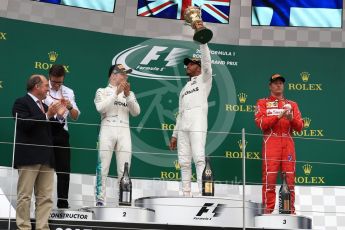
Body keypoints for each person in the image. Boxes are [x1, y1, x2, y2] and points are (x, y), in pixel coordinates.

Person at [12, 74, 65, 230]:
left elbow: (54, 131)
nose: (48, 89)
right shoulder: (21, 102)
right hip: (29, 157)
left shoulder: (45, 107)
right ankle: (24, 227)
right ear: (36, 86)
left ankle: (43, 227)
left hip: (47, 158)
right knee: (25, 196)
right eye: (46, 86)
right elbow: (24, 125)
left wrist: (60, 116)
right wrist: (47, 115)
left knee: (45, 197)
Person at [169, 21, 213, 197]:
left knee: (199, 158)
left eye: (191, 64)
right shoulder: (184, 89)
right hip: (184, 127)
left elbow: (207, 62)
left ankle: (203, 194)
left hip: (197, 123)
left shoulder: (205, 79)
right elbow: (180, 114)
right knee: (184, 162)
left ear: (199, 67)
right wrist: (174, 134)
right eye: (187, 64)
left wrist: (202, 41)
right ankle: (186, 194)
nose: (187, 66)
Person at [254, 74, 304, 214]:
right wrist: (279, 116)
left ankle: (290, 211)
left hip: (287, 143)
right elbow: (261, 123)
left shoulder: (292, 104)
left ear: (284, 85)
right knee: (269, 179)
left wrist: (291, 118)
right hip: (271, 143)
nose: (278, 85)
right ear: (270, 85)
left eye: (281, 83)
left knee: (290, 180)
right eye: (275, 83)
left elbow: (300, 127)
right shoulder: (262, 103)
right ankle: (267, 212)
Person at [94, 64, 140, 206]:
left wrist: (127, 95)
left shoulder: (129, 94)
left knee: (124, 167)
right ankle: (100, 200)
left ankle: (123, 199)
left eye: (126, 74)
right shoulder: (102, 91)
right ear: (113, 75)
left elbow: (136, 112)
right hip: (108, 127)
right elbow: (101, 108)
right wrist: (115, 93)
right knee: (103, 166)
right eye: (123, 74)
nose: (126, 76)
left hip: (124, 129)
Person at [44, 64, 80, 209]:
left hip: (62, 132)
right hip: (45, 131)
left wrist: (70, 106)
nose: (57, 85)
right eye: (54, 82)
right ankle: (42, 203)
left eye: (60, 82)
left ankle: (63, 203)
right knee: (44, 169)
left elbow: (76, 116)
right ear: (49, 77)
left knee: (64, 169)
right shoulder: (43, 88)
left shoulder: (69, 92)